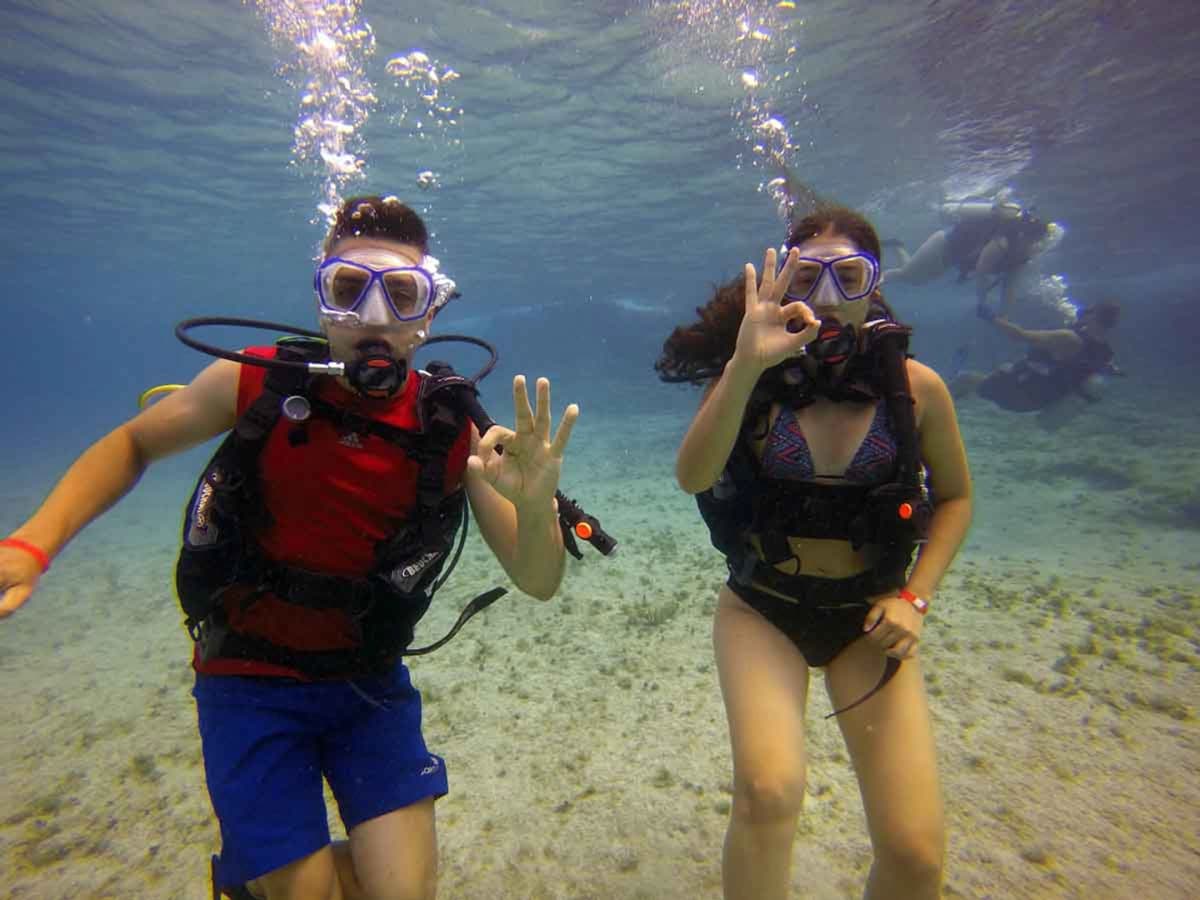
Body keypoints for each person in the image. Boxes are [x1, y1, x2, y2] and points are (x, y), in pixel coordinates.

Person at [0, 195, 580, 900]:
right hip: (247, 677)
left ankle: (264, 870)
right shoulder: (254, 382)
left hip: (367, 680)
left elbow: (539, 579)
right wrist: (34, 544)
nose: (371, 317)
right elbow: (134, 442)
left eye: (400, 296)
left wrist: (533, 508)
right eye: (347, 290)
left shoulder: (453, 429)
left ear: (429, 316)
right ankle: (258, 879)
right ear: (321, 302)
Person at [657, 206, 972, 900]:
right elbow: (693, 476)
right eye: (808, 277)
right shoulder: (752, 380)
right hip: (762, 608)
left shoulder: (916, 391)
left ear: (875, 285)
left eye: (848, 276)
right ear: (781, 286)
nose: (827, 297)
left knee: (916, 855)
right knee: (769, 793)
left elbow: (955, 498)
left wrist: (915, 597)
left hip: (869, 620)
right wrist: (743, 365)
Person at [883, 193, 1056, 318]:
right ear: (1026, 236)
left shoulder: (1021, 255)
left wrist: (1003, 316)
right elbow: (982, 269)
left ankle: (897, 245)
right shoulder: (1003, 241)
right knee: (906, 275)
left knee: (915, 279)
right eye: (1035, 244)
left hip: (952, 258)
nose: (1036, 250)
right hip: (944, 245)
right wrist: (982, 301)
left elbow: (1010, 288)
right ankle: (870, 282)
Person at [952, 300, 1122, 423]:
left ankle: (929, 417)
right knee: (1003, 370)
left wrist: (991, 317)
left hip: (1021, 396)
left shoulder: (1068, 337)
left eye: (1089, 310)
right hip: (1042, 400)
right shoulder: (1105, 351)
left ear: (1094, 316)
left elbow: (1019, 335)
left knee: (965, 379)